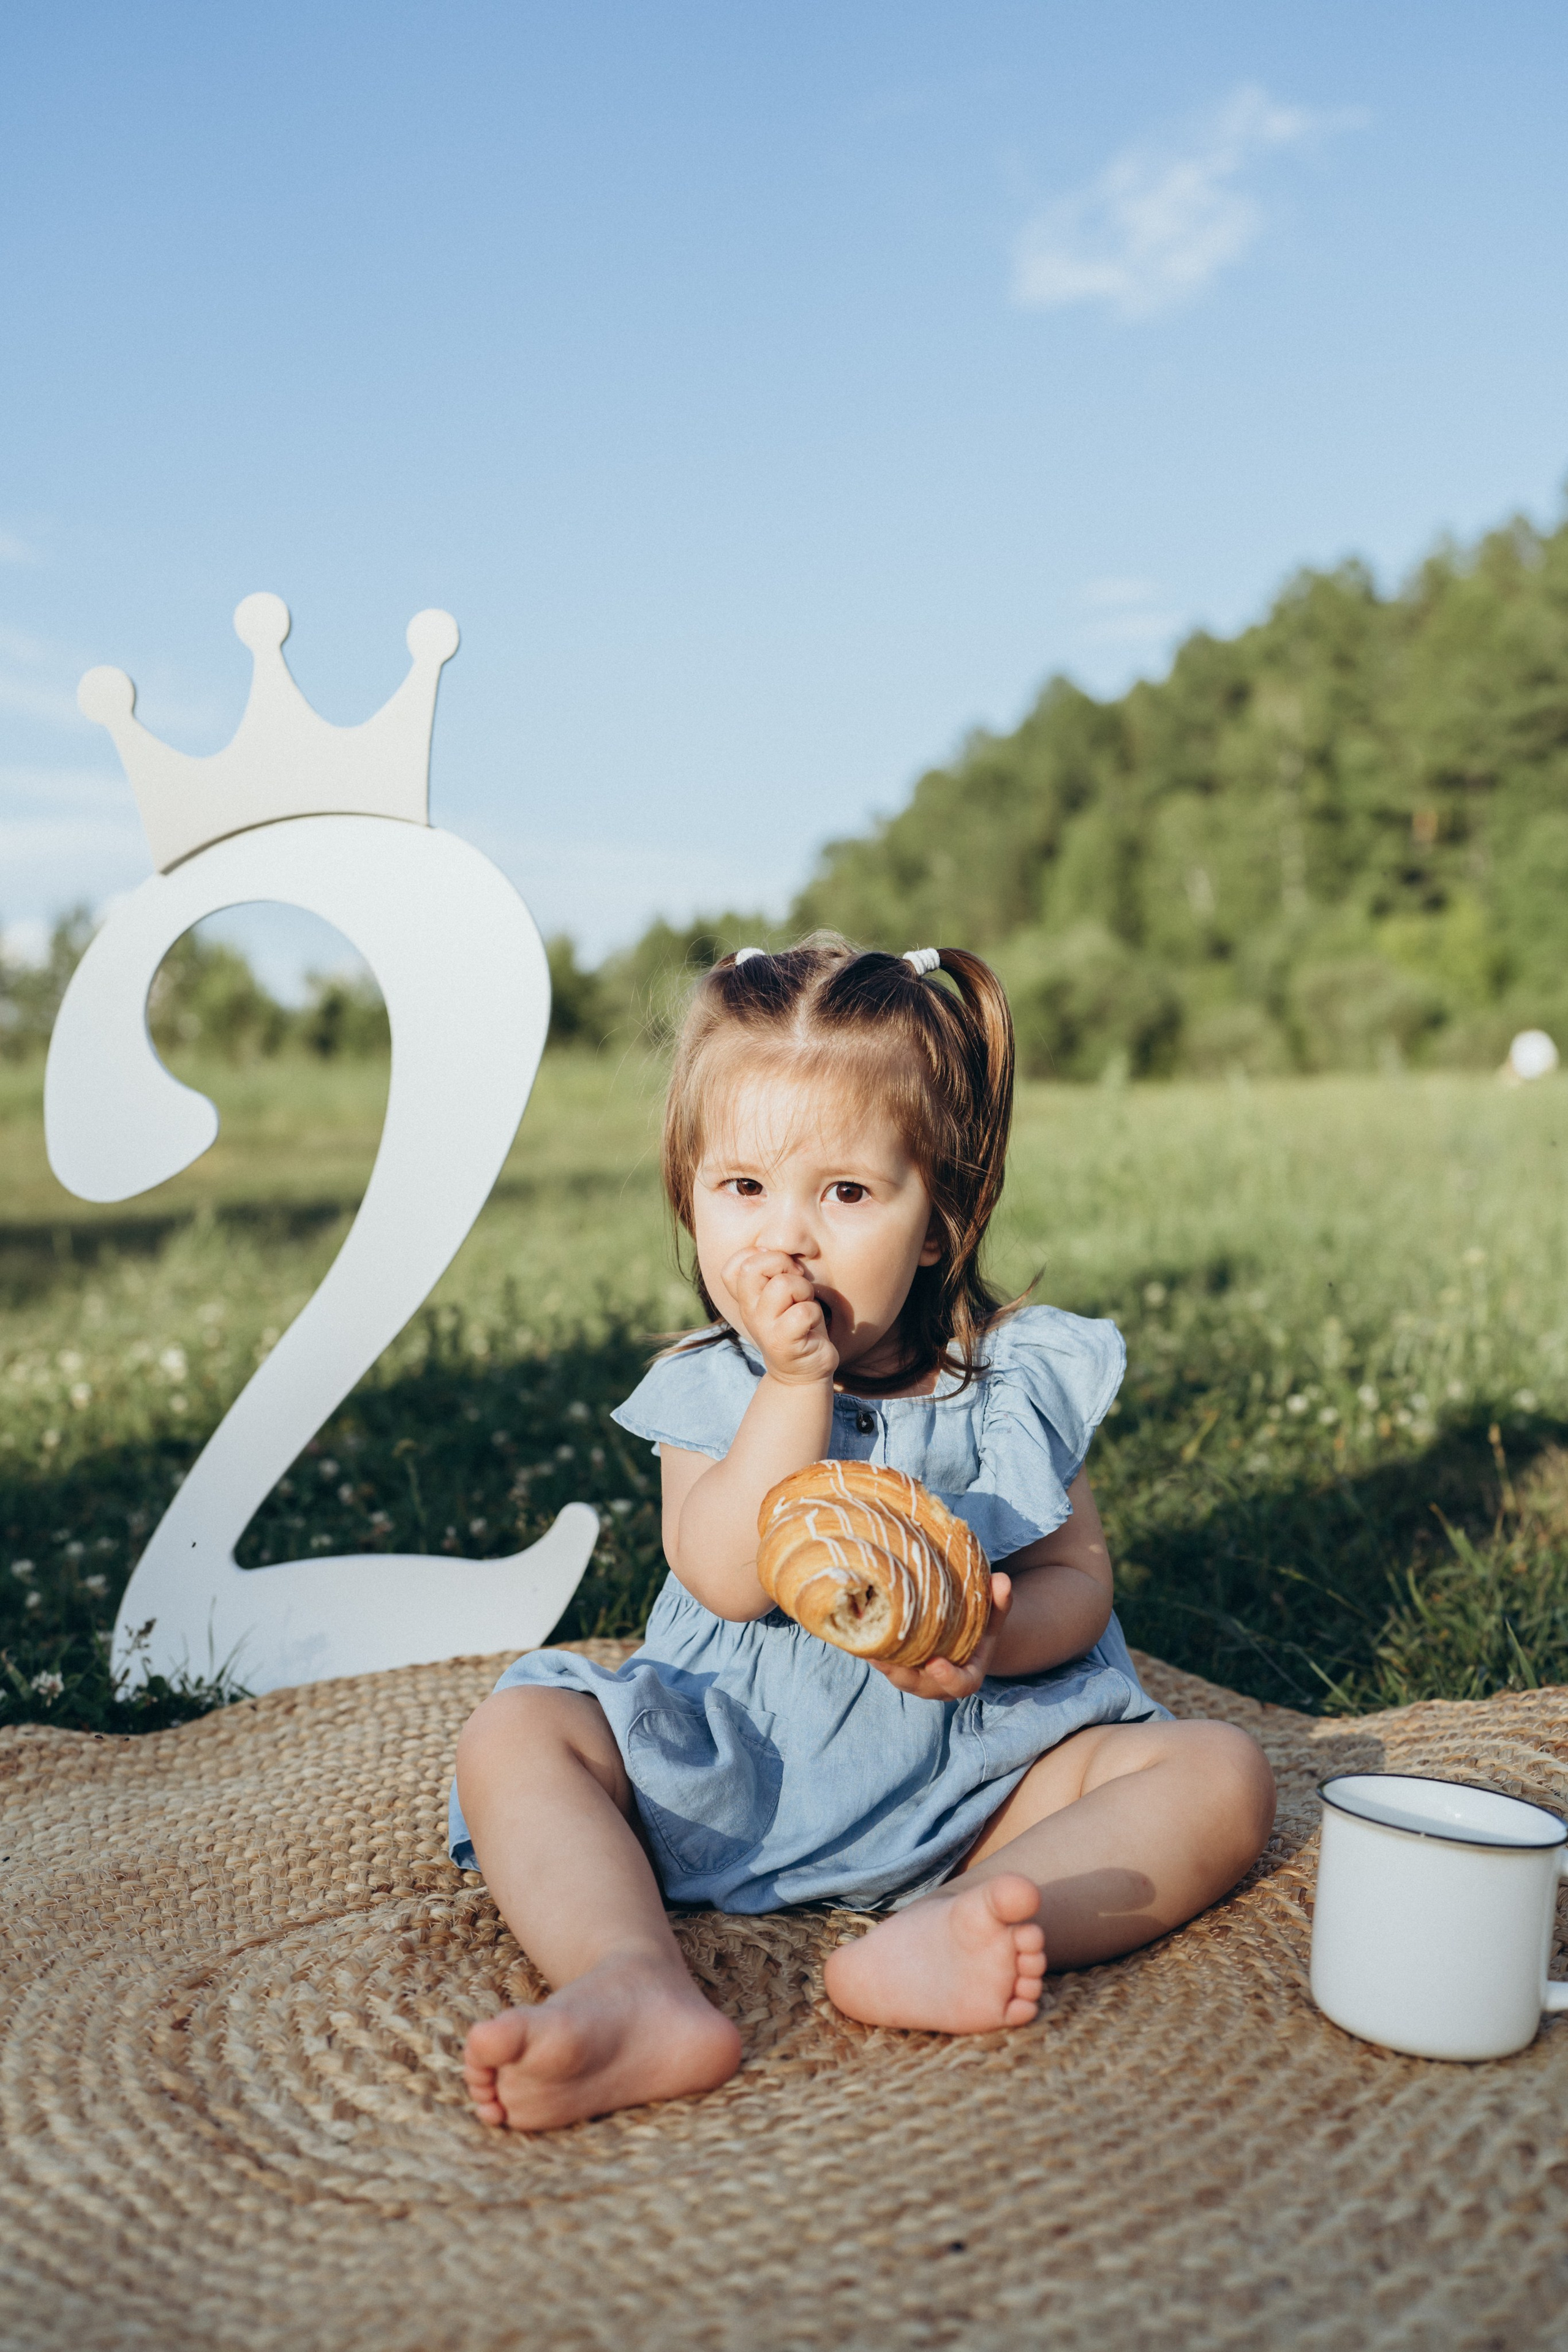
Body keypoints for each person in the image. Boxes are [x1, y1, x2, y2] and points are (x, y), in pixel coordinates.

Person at [453, 935, 1276, 2131]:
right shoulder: (709, 1384)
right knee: (521, 1728)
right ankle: (628, 1980)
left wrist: (996, 1641)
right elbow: (725, 1577)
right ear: (688, 1194)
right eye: (741, 1188)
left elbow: (1073, 1580)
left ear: (935, 1219)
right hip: (728, 1764)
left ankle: (964, 1922)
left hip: (973, 1778)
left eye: (842, 1193)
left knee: (1218, 1774)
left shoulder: (1008, 1383)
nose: (783, 1239)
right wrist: (794, 1386)